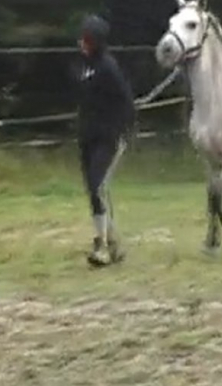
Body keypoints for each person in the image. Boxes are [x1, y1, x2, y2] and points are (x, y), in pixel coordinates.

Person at [75, 14, 136, 268]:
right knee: (93, 188)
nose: (82, 42)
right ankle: (111, 244)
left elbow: (126, 101)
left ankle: (102, 245)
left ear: (96, 42)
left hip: (109, 136)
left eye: (87, 39)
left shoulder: (108, 67)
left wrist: (123, 130)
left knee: (98, 185)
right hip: (88, 136)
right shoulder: (86, 66)